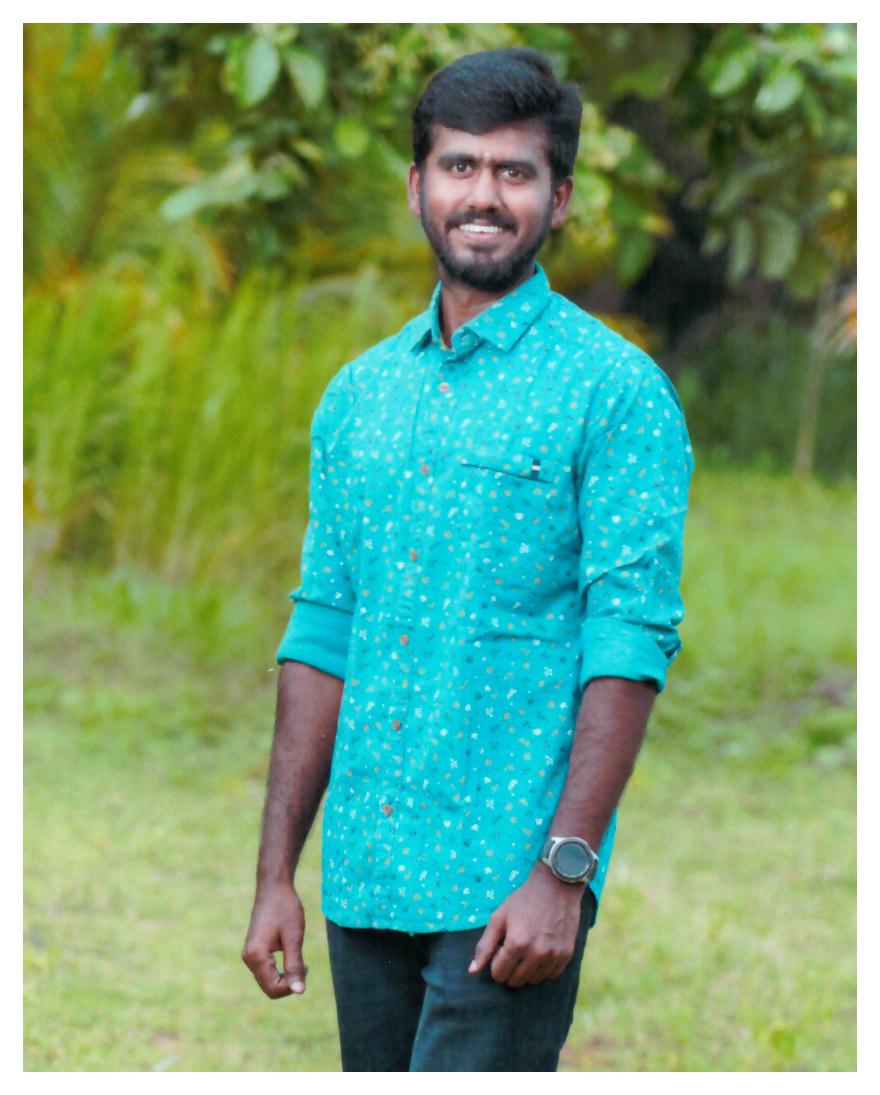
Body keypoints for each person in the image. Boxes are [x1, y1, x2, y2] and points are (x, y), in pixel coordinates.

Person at [242, 47, 693, 1072]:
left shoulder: (615, 392)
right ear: (417, 186)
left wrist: (564, 873)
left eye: (513, 171)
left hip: (507, 890)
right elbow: (322, 634)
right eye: (459, 166)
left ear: (558, 198)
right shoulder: (357, 397)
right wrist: (276, 874)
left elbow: (628, 642)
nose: (482, 195)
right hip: (365, 875)